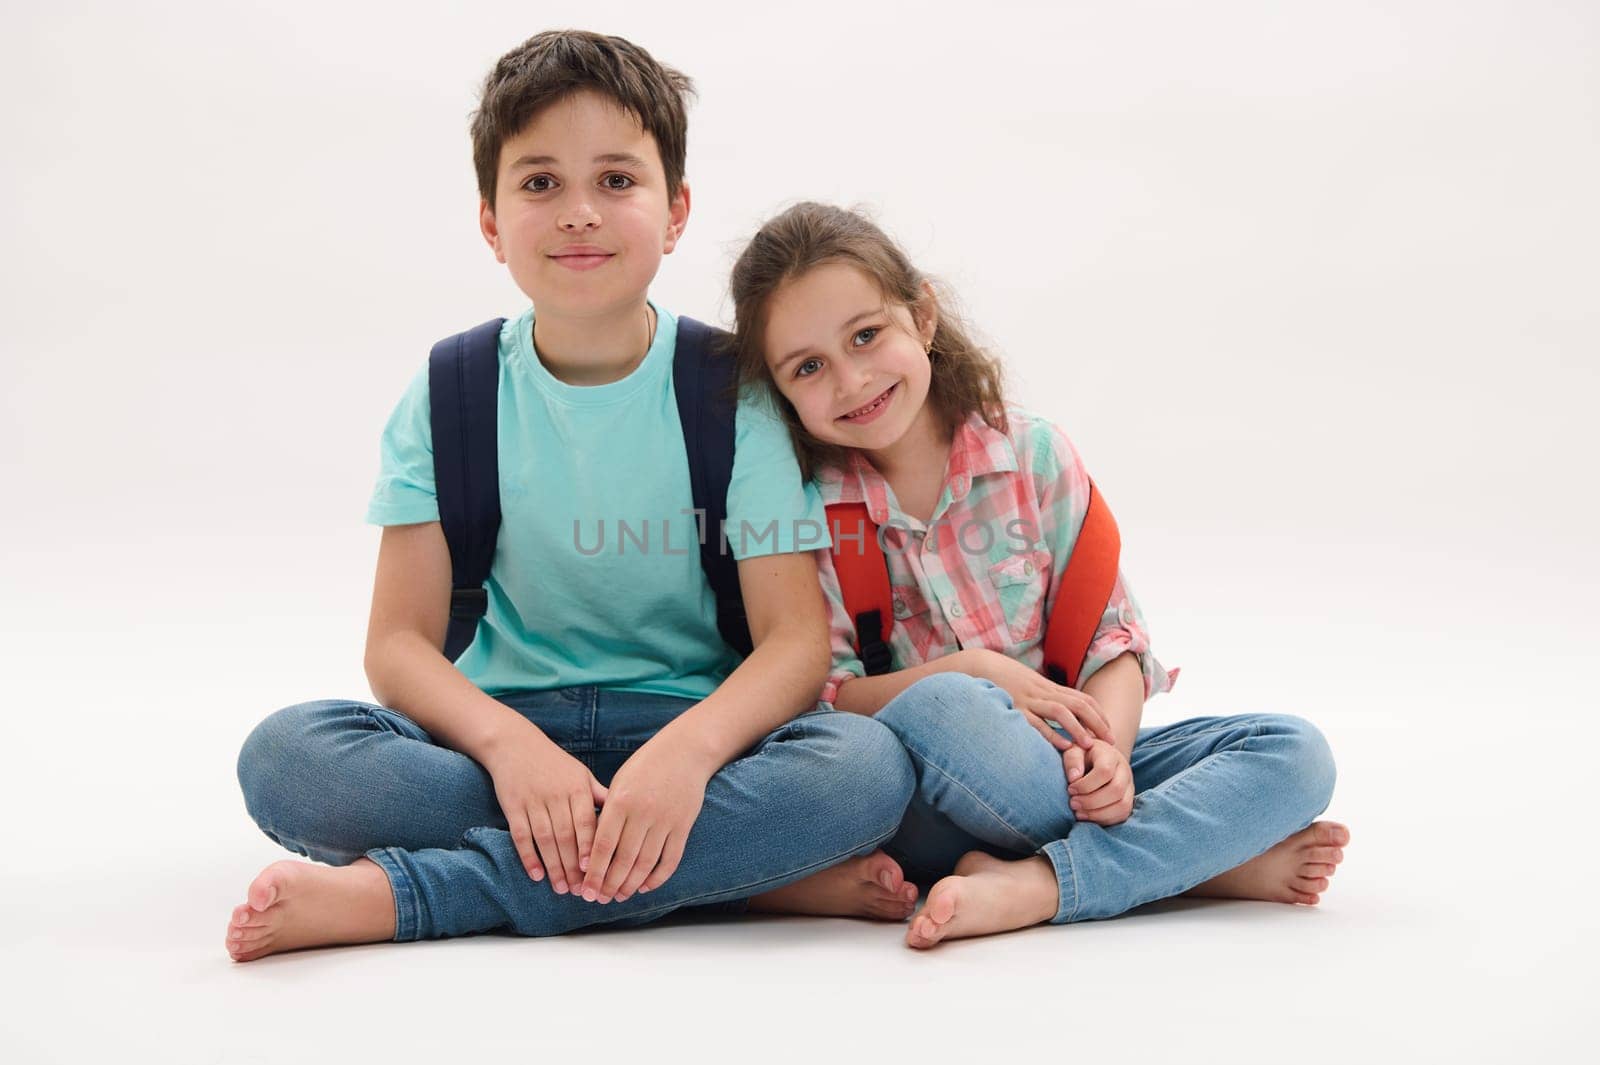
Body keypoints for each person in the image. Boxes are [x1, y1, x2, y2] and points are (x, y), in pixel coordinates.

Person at [224, 34, 920, 963]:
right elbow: (396, 644)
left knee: (864, 770)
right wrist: (511, 752)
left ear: (675, 212)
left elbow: (795, 645)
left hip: (693, 734)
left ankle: (413, 897)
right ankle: (745, 878)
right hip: (497, 738)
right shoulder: (450, 392)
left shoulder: (730, 391)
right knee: (285, 757)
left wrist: (685, 757)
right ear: (490, 219)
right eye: (541, 183)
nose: (580, 214)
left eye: (617, 182)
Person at [726, 201, 1351, 948]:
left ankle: (1039, 882)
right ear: (779, 390)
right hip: (936, 797)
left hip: (1077, 763)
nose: (853, 379)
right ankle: (1199, 862)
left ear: (922, 315)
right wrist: (976, 669)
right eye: (809, 367)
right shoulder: (810, 510)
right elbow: (828, 694)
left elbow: (1112, 644)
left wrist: (1108, 757)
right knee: (945, 706)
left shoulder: (1033, 455)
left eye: (867, 335)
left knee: (1295, 751)